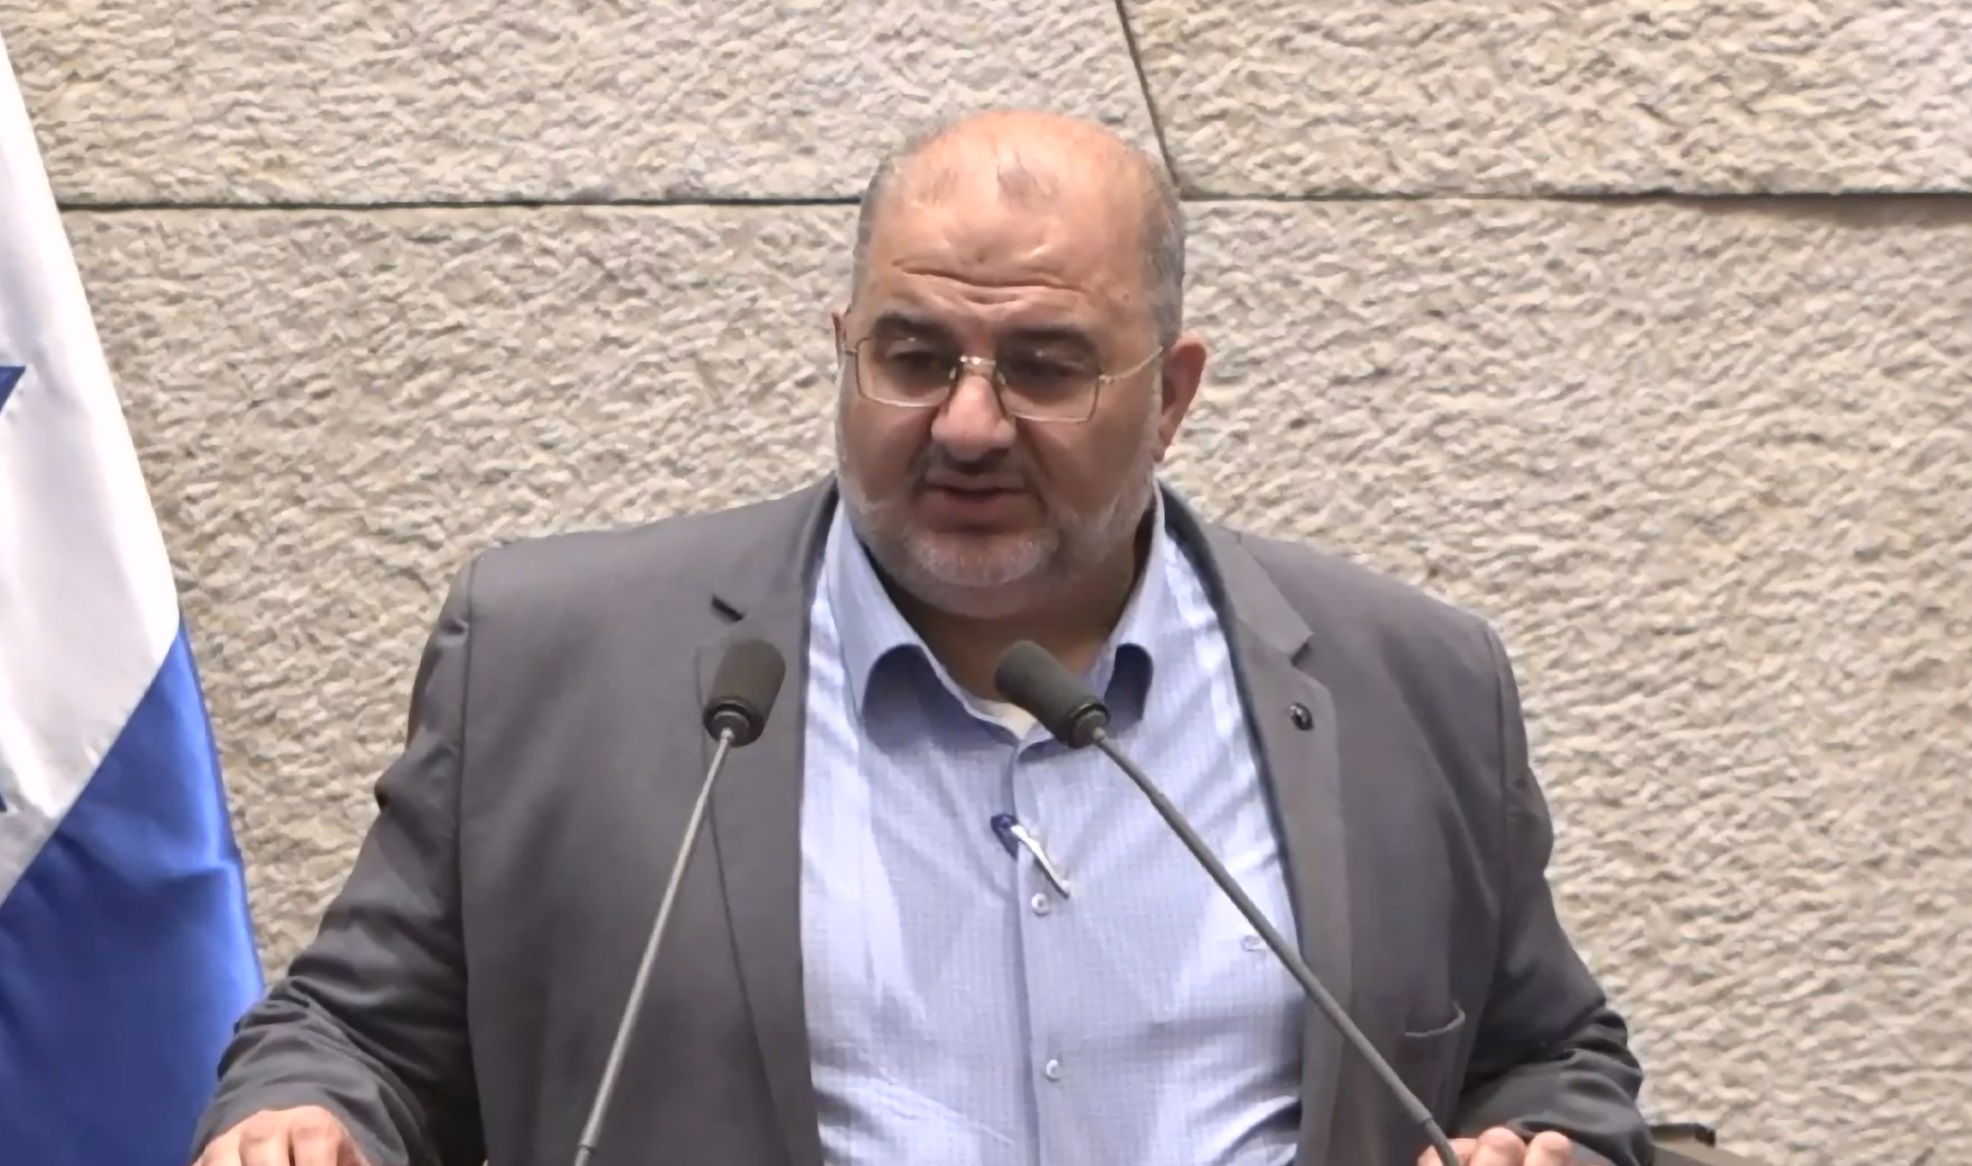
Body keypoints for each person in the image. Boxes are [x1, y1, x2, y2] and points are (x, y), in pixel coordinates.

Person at [189, 108, 1649, 1166]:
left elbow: (1547, 1057)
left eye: (1045, 368)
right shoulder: (554, 659)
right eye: (912, 355)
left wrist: (1549, 1142)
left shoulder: (1412, 684)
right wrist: (301, 1119)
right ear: (844, 345)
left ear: (1173, 393)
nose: (966, 423)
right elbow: (355, 1035)